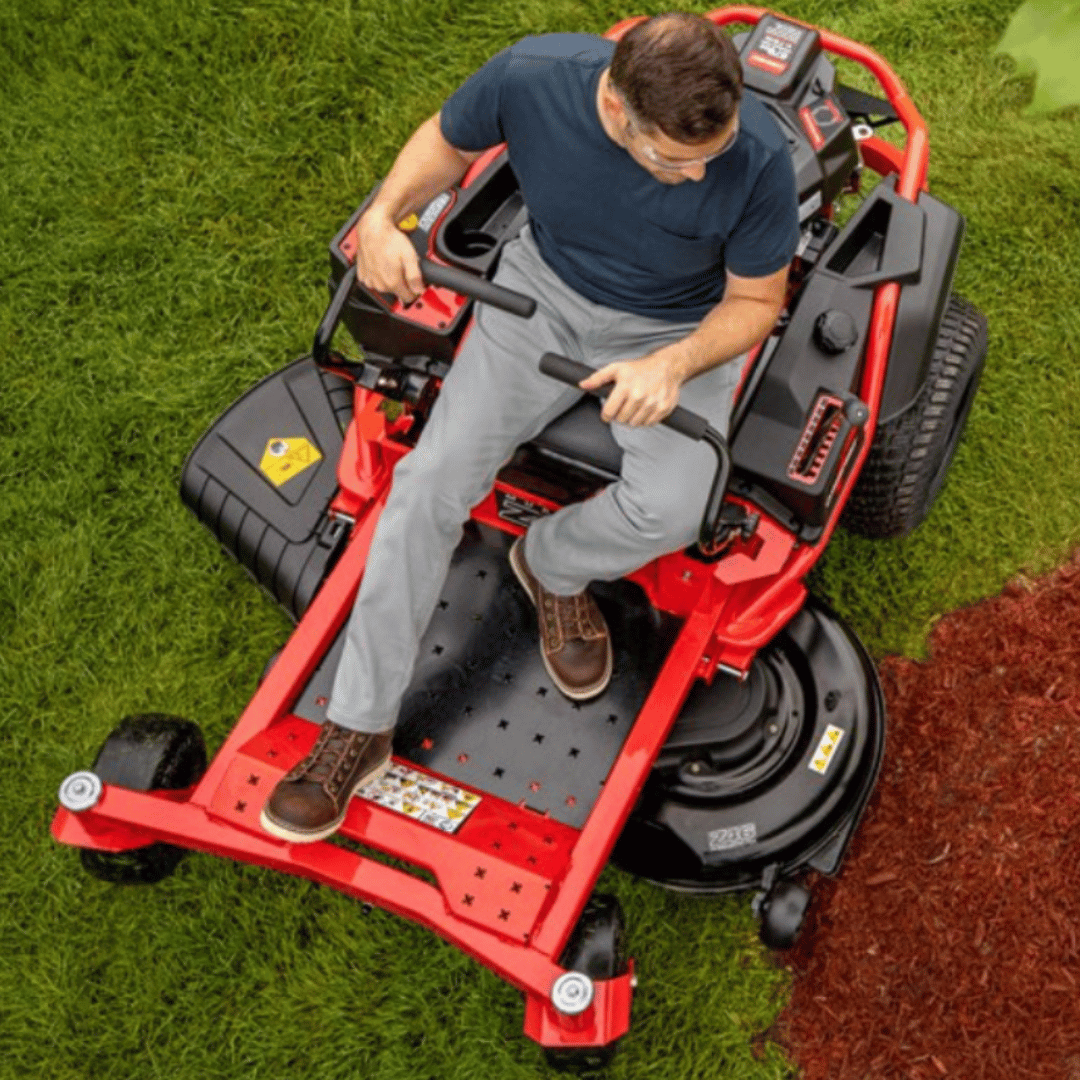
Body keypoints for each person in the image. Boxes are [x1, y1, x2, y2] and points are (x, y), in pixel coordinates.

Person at [259, 11, 800, 843]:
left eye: (709, 158)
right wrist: (383, 217)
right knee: (425, 485)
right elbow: (444, 139)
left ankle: (550, 563)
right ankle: (357, 729)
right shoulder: (531, 76)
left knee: (675, 508)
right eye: (672, 162)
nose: (697, 179)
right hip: (537, 299)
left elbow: (757, 301)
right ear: (615, 109)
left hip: (675, 330)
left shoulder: (754, 157)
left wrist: (674, 367)